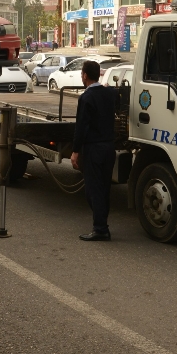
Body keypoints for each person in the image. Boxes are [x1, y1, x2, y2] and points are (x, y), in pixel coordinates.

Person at [70, 60, 118, 241]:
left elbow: (81, 127)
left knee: (92, 190)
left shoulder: (86, 97)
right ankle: (102, 224)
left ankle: (100, 228)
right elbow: (117, 97)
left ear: (84, 75)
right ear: (99, 74)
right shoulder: (110, 94)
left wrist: (75, 151)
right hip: (109, 148)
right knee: (104, 188)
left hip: (94, 149)